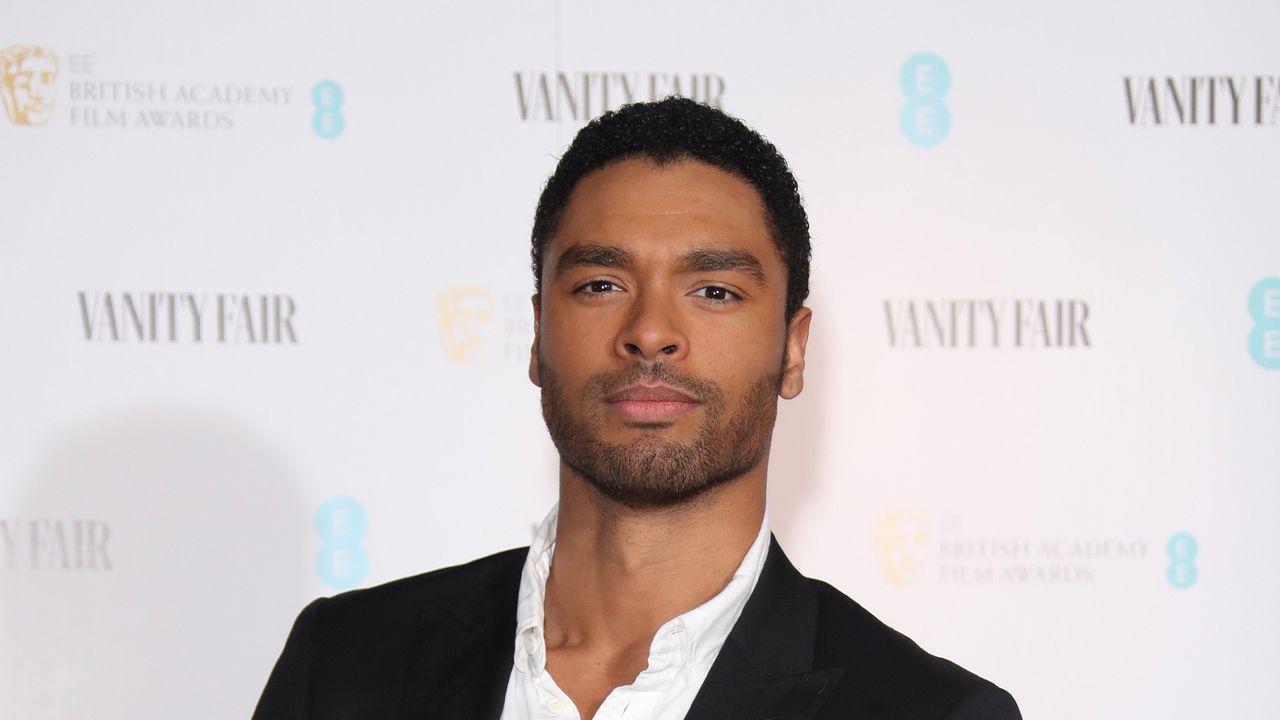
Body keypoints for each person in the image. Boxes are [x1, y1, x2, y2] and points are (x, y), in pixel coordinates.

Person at [253, 97, 1022, 720]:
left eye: (714, 291)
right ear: (536, 335)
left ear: (792, 349)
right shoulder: (347, 662)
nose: (650, 331)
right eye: (600, 285)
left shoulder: (929, 711)